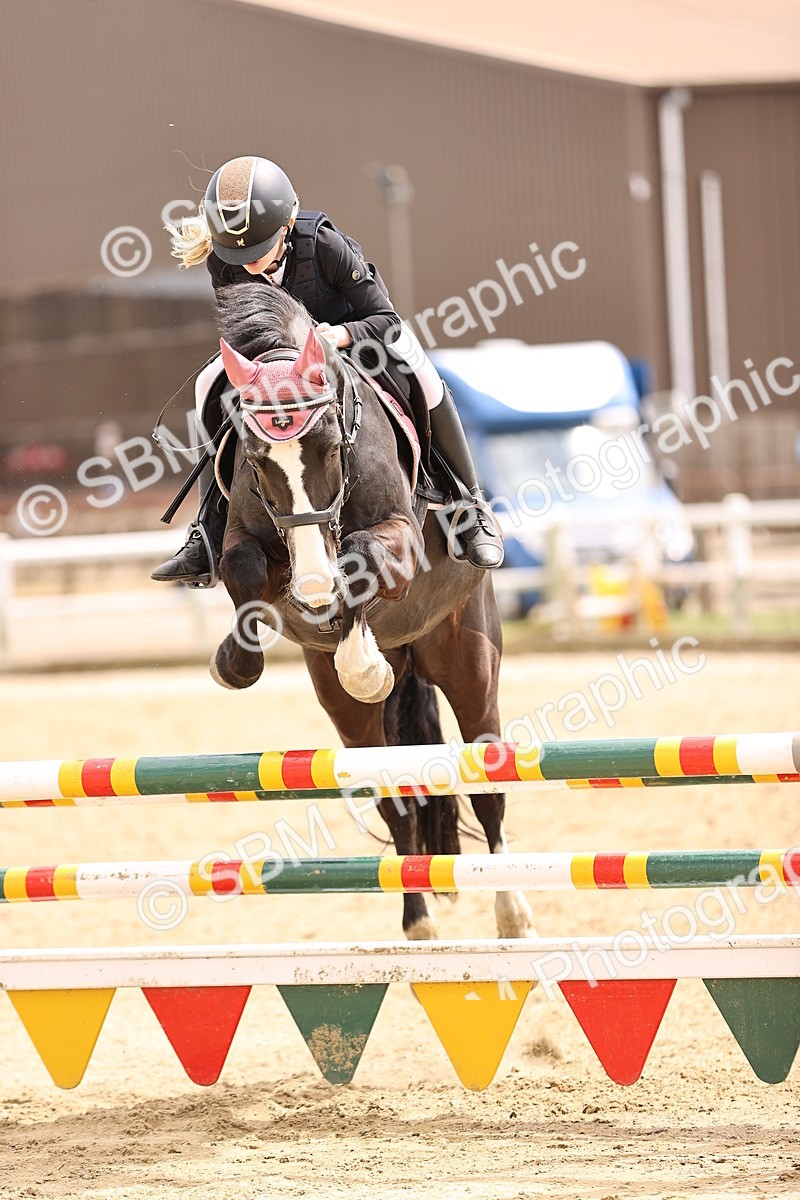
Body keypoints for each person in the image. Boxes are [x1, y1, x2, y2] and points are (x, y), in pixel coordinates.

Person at [151, 156, 503, 585]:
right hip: (279, 367)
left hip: (356, 342)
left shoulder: (325, 246)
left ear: (287, 224)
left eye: (259, 250)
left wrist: (337, 337)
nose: (249, 264)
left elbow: (386, 320)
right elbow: (247, 332)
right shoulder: (227, 261)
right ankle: (206, 528)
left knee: (423, 370)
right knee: (208, 381)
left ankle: (471, 505)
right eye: (239, 253)